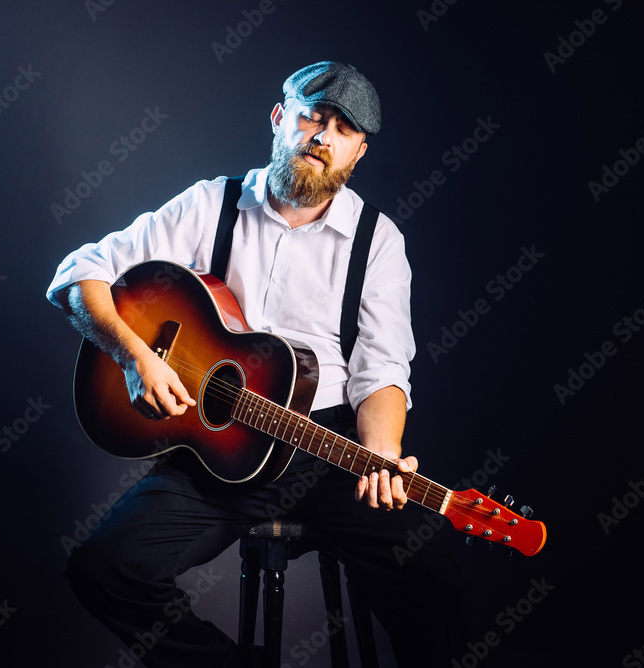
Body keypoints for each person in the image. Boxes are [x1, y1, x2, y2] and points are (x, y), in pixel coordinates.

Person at [46, 62, 468, 668]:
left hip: (327, 449)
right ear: (279, 118)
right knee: (104, 568)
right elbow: (77, 273)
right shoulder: (210, 204)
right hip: (219, 453)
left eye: (342, 129)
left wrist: (379, 452)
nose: (321, 137)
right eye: (312, 116)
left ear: (359, 152)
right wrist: (134, 357)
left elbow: (382, 369)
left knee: (436, 585)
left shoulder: (378, 239)